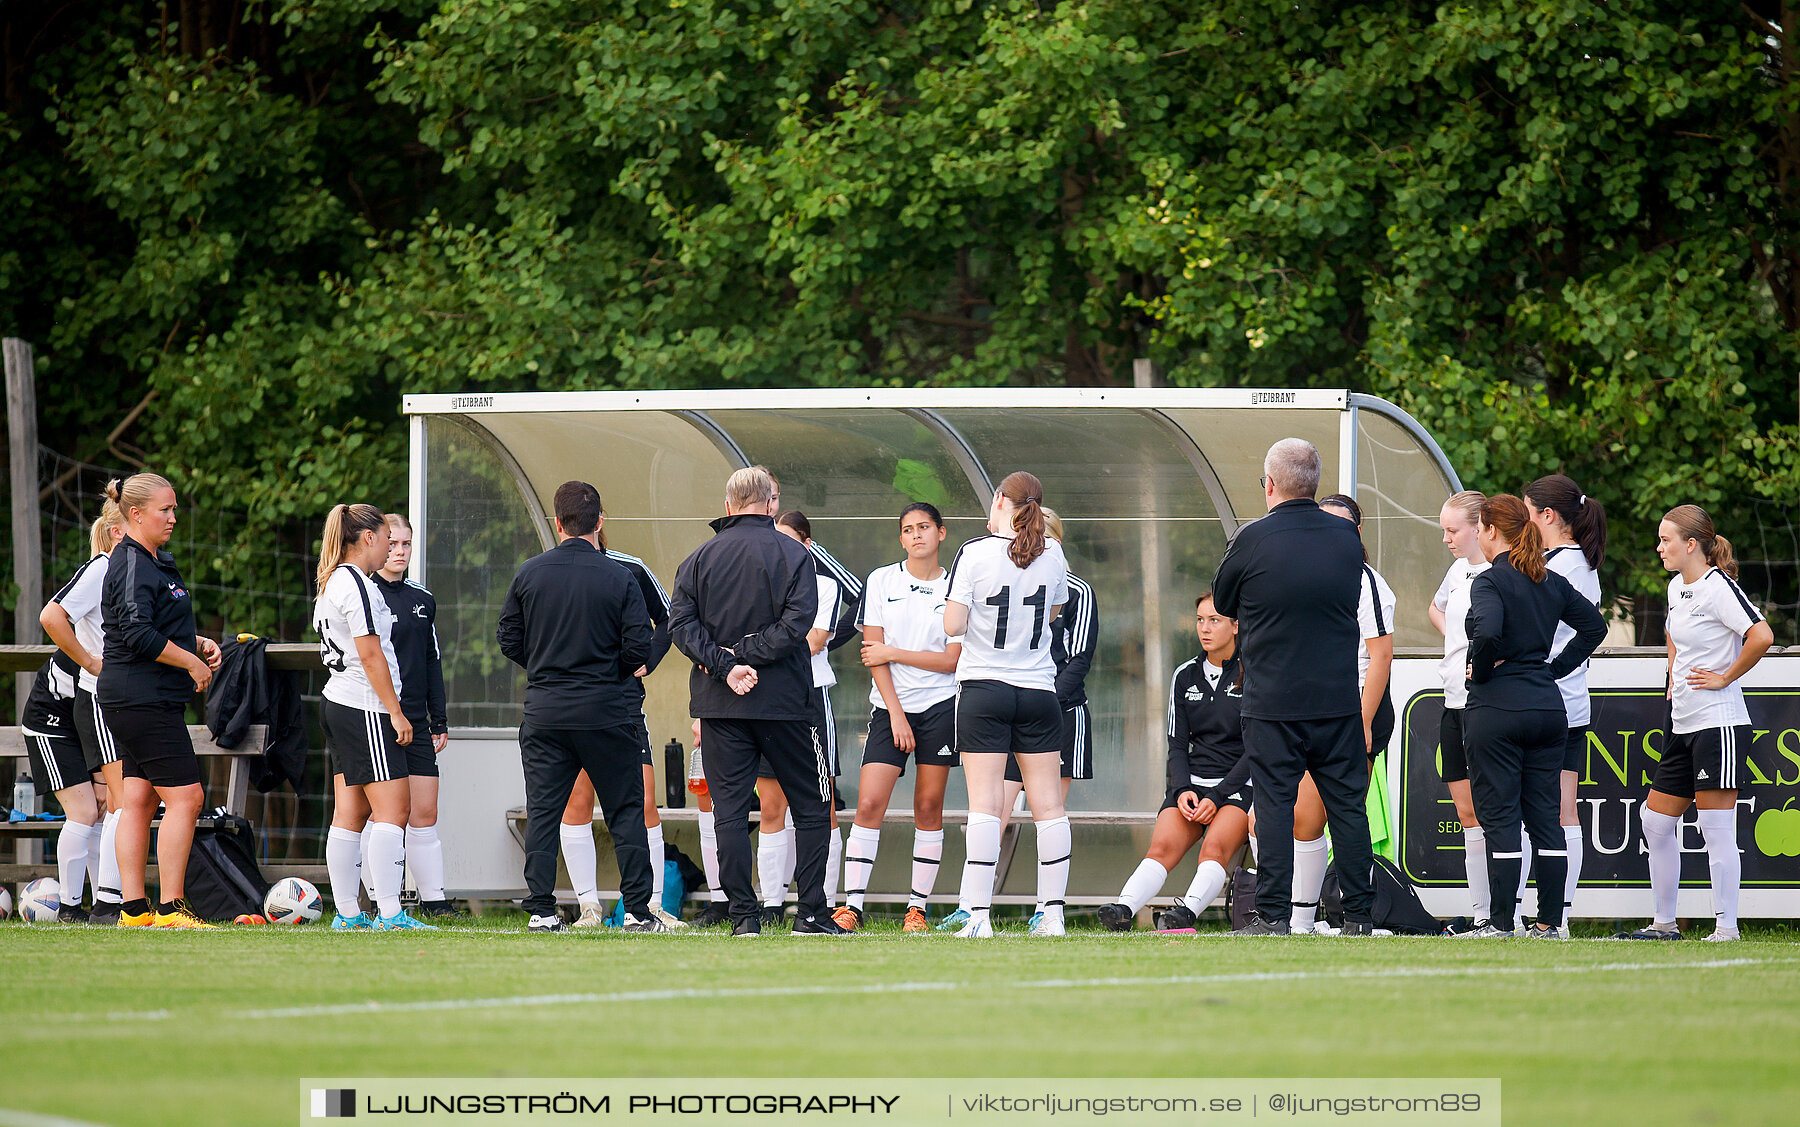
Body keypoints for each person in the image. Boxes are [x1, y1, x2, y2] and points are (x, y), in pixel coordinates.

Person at [667, 466, 844, 936]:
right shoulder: (795, 555)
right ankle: (810, 914)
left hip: (720, 704)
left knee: (728, 810)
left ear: (727, 506)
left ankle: (744, 917)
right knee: (810, 806)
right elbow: (797, 626)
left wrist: (727, 665)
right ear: (770, 504)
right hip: (785, 703)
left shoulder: (698, 558)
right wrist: (744, 658)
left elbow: (680, 627)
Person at [1210, 438, 1374, 936]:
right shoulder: (1348, 541)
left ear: (1271, 484)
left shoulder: (1251, 538)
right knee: (1348, 808)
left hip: (1273, 700)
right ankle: (1360, 916)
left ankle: (1273, 915)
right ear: (1315, 483)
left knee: (1275, 806)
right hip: (1336, 700)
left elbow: (1223, 597)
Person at [498, 481, 661, 933]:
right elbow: (638, 648)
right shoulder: (619, 576)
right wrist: (606, 669)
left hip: (546, 710)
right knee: (626, 810)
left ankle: (542, 910)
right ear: (600, 521)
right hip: (606, 711)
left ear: (557, 522)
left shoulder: (530, 573)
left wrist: (548, 665)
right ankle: (636, 911)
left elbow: (508, 638)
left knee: (545, 811)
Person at [1463, 495, 1607, 939]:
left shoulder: (1490, 581)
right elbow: (1595, 627)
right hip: (1547, 709)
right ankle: (1549, 922)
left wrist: (1480, 671)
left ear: (1490, 531)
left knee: (1501, 817)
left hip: (1499, 709)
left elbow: (1486, 632)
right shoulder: (1550, 580)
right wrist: (1552, 669)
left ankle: (1502, 923)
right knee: (1546, 817)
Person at [1630, 505, 1773, 942]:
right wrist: (1674, 676)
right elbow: (1674, 633)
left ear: (1691, 545)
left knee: (1715, 829)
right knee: (1654, 821)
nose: (1659, 548)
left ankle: (1725, 928)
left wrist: (1725, 677)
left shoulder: (1719, 587)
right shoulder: (1677, 587)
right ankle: (1664, 924)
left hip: (1719, 724)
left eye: (1665, 540)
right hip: (1683, 724)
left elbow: (1761, 635)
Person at [942, 471, 1070, 939]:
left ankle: (977, 916)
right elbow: (1054, 613)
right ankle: (1052, 915)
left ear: (1000, 500)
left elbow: (954, 625)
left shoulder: (974, 552)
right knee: (1050, 807)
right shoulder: (1054, 552)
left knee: (985, 804)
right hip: (1039, 690)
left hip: (984, 689)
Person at [97, 473, 223, 929]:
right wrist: (190, 662)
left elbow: (154, 623)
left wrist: (196, 642)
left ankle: (134, 910)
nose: (173, 518)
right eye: (164, 510)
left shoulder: (154, 560)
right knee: (187, 797)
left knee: (140, 799)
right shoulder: (130, 561)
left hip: (139, 696)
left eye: (174, 509)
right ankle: (171, 907)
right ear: (135, 514)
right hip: (140, 697)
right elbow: (134, 632)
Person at [831, 502, 962, 933]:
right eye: (907, 530)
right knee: (870, 803)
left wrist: (896, 652)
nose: (916, 535)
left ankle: (917, 909)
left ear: (941, 533)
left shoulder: (956, 587)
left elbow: (951, 662)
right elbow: (873, 653)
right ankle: (852, 906)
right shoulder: (881, 579)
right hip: (889, 711)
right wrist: (897, 714)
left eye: (924, 527)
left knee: (928, 806)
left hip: (941, 708)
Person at [1273, 493, 1395, 935]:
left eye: (1339, 524)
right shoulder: (1308, 574)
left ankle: (1349, 916)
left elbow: (1381, 657)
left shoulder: (1367, 581)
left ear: (1356, 532)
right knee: (1300, 817)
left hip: (1356, 710)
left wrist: (1362, 722)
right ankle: (1302, 919)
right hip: (1313, 707)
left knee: (1336, 813)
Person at [1096, 592, 1249, 932]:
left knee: (1214, 847)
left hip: (1237, 786)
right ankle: (1123, 909)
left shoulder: (1252, 672)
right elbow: (1177, 743)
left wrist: (1219, 795)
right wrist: (1181, 789)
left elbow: (1258, 749)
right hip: (1192, 783)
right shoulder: (1185, 675)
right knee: (1162, 846)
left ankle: (1186, 914)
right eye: (1199, 620)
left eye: (1215, 620)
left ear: (1236, 626)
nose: (1205, 629)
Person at [316, 504, 434, 932]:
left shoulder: (334, 580)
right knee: (393, 810)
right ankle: (389, 912)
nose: (391, 545)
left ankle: (348, 913)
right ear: (367, 538)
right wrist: (397, 713)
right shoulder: (358, 586)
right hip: (365, 706)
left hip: (339, 703)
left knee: (350, 812)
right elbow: (369, 654)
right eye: (387, 536)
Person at [555, 532, 682, 930]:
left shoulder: (630, 566)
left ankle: (652, 906)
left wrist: (650, 658)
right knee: (577, 802)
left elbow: (670, 617)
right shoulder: (552, 569)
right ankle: (589, 908)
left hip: (624, 705)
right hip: (572, 704)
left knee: (644, 801)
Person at [1523, 474, 1606, 934]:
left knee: (1559, 808)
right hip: (1549, 698)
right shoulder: (1554, 560)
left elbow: (1577, 634)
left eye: (1528, 513)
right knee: (1549, 807)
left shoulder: (1569, 566)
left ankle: (1558, 915)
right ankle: (1523, 913)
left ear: (1548, 517)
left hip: (1557, 701)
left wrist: (1547, 669)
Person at [39, 500, 127, 923]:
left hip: (110, 702)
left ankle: (100, 903)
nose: (168, 521)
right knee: (97, 808)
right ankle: (89, 905)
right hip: (57, 718)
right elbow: (51, 616)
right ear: (117, 531)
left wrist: (194, 647)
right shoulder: (102, 569)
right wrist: (92, 663)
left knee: (115, 803)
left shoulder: (136, 572)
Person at [369, 514, 458, 918]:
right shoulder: (362, 592)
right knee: (380, 812)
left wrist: (437, 719)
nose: (399, 551)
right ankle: (375, 899)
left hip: (417, 721)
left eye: (406, 544)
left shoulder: (422, 598)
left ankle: (435, 902)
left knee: (425, 812)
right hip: (374, 716)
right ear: (376, 543)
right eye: (392, 544)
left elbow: (431, 659)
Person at [767, 510, 845, 916]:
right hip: (767, 700)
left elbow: (814, 641)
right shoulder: (760, 582)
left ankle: (823, 903)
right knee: (770, 805)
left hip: (811, 697)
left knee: (820, 800)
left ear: (807, 545)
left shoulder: (824, 584)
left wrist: (762, 648)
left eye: (789, 540)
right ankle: (771, 903)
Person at [1001, 507, 1096, 814]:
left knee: (1049, 811)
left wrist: (1045, 700)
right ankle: (982, 863)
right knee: (994, 809)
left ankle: (1051, 864)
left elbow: (1079, 658)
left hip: (1060, 711)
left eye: (1041, 537)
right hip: (1014, 709)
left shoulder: (1077, 591)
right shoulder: (1009, 582)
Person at [1427, 490, 1492, 932]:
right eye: (1444, 530)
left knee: (1497, 811)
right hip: (1452, 700)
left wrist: (1480, 654)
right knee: (1466, 812)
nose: (1447, 538)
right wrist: (1457, 642)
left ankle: (1508, 912)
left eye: (1453, 530)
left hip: (1486, 702)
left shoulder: (1500, 571)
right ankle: (1482, 912)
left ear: (1480, 527)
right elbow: (1436, 608)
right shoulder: (1456, 570)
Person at [20, 653, 95, 921]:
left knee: (104, 812)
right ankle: (69, 908)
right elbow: (50, 617)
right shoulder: (100, 630)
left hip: (84, 722)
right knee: (84, 813)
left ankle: (105, 905)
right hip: (50, 723)